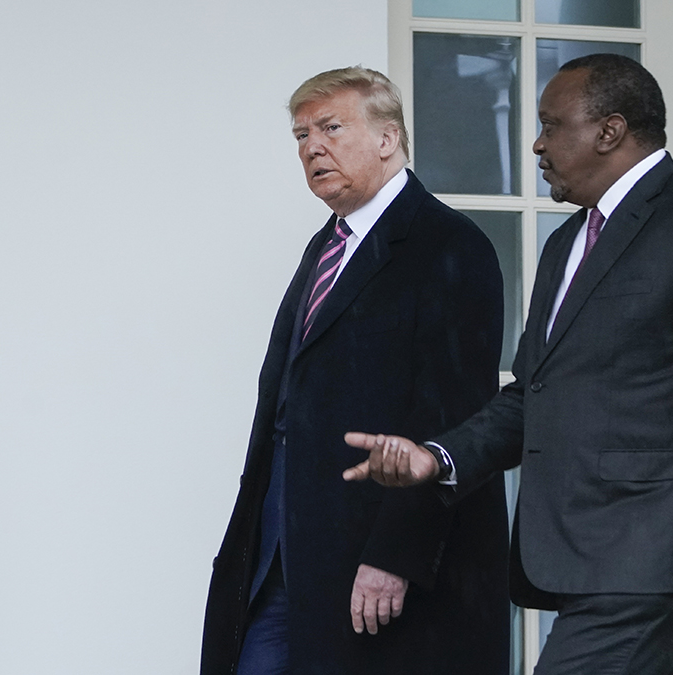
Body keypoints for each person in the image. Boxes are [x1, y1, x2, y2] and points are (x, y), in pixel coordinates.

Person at [343, 54, 673, 675]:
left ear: (608, 131)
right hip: (583, 551)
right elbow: (531, 392)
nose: (537, 144)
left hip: (653, 552)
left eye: (550, 124)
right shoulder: (567, 241)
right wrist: (440, 457)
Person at [200, 67, 510, 675]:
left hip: (376, 552)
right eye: (301, 134)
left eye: (332, 128)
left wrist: (396, 554)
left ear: (388, 138)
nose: (311, 146)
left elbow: (453, 420)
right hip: (280, 548)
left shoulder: (450, 244)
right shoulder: (325, 245)